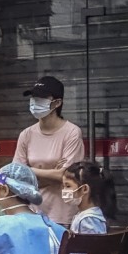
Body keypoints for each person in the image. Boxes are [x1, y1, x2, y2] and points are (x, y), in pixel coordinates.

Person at [15, 76, 85, 226]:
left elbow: (66, 175)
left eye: (41, 98)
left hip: (62, 216)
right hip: (32, 213)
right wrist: (52, 173)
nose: (34, 102)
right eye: (33, 97)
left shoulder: (72, 132)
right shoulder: (26, 134)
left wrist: (30, 170)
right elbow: (16, 174)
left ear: (57, 103)